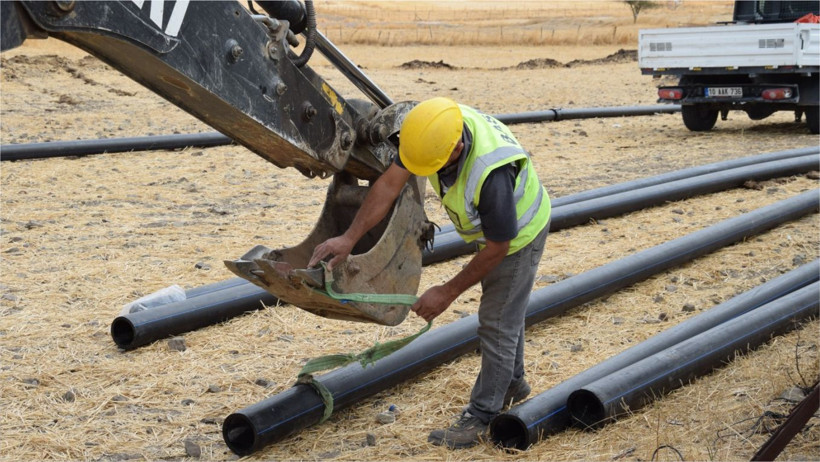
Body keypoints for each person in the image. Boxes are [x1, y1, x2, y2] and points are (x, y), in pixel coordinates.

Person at [309, 97, 551, 449]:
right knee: (505, 314)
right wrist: (349, 238)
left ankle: (483, 415)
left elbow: (498, 247)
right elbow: (389, 186)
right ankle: (512, 383)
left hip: (518, 237)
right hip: (495, 232)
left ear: (455, 149)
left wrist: (446, 291)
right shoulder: (431, 128)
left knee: (497, 320)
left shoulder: (491, 174)